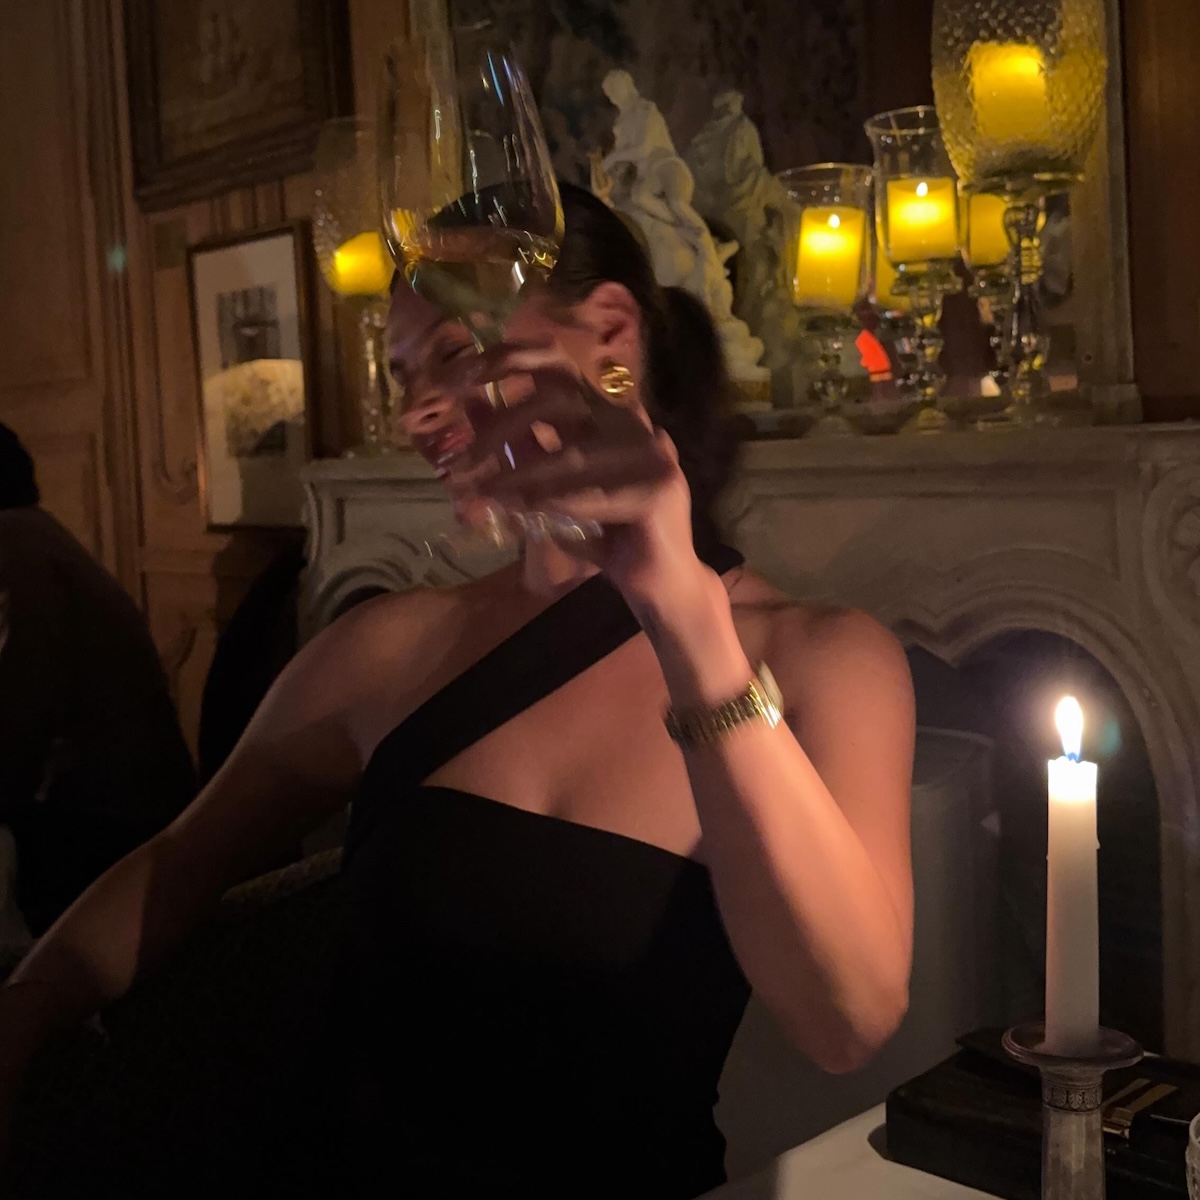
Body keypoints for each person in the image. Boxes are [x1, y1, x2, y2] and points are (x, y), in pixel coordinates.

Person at [0, 186, 914, 1198]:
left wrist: (679, 609)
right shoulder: (392, 645)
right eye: (402, 375)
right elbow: (180, 861)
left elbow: (847, 1023)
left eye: (452, 354)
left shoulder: (828, 658)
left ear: (610, 330)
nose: (416, 414)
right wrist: (29, 1001)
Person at [0, 425, 195, 937]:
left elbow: (17, 726)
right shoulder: (32, 535)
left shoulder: (14, 546)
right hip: (115, 818)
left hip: (111, 835)